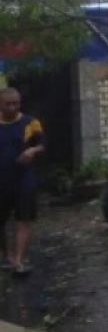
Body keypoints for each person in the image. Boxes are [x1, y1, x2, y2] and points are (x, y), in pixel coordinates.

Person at [0, 87, 45, 276]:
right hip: (1, 180)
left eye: (16, 103)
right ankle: (7, 257)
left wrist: (32, 151)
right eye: (8, 104)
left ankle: (18, 259)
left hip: (24, 178)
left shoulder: (30, 123)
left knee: (23, 219)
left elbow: (42, 144)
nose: (12, 107)